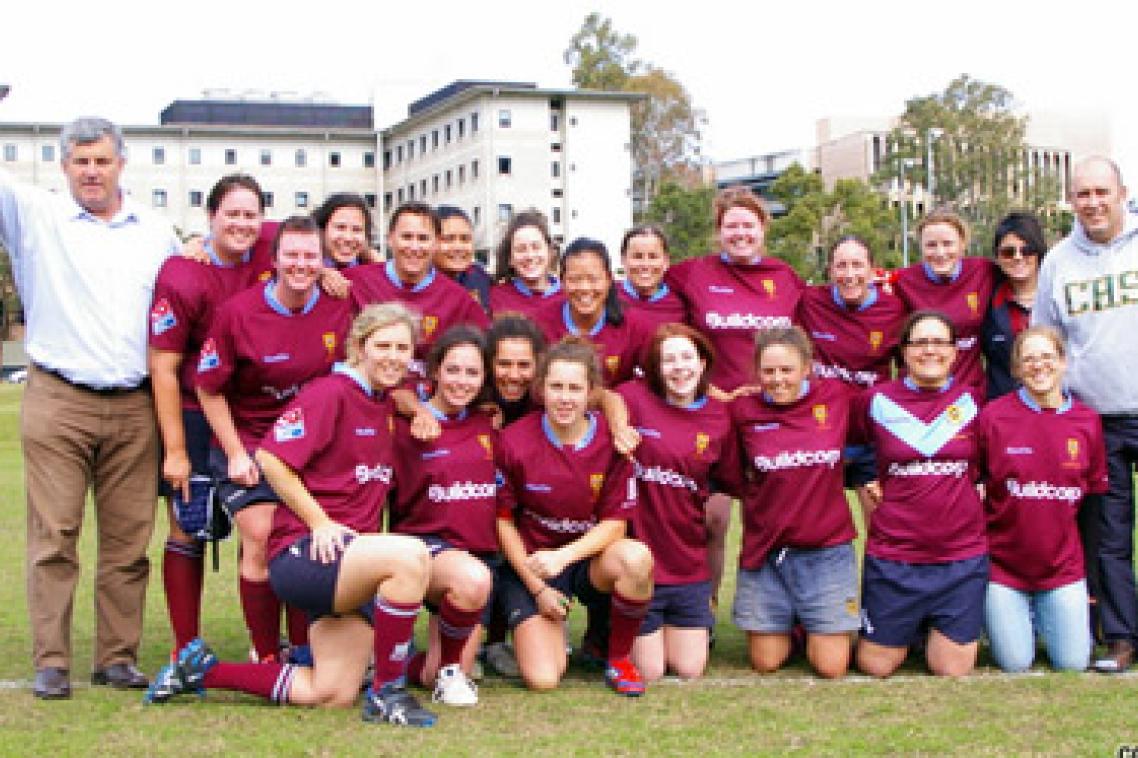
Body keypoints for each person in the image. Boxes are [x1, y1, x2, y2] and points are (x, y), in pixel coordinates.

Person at [146, 304, 438, 727]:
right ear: (359, 347)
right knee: (410, 557)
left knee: (332, 691)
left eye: (402, 348)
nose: (393, 356)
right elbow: (270, 459)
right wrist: (318, 522)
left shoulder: (382, 403)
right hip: (304, 554)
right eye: (383, 345)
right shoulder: (331, 392)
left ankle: (203, 671)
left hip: (347, 564)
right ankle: (388, 695)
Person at [2, 117, 180, 698]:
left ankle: (117, 657)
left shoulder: (155, 231)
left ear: (121, 164)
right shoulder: (36, 216)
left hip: (134, 404)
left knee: (129, 542)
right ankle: (52, 660)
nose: (91, 171)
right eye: (80, 161)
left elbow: (193, 290)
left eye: (102, 160)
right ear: (64, 166)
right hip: (59, 398)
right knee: (54, 535)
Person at [195, 216, 353, 665]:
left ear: (322, 262)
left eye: (310, 256)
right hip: (249, 443)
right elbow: (209, 387)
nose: (301, 265)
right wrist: (235, 453)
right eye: (292, 255)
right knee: (261, 535)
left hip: (310, 450)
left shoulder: (340, 303)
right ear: (275, 259)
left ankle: (304, 648)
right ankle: (265, 652)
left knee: (308, 536)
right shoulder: (238, 314)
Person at [665, 186, 804, 619]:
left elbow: (801, 346)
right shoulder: (691, 274)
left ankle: (792, 613)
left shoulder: (786, 278)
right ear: (719, 230)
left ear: (763, 228)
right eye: (731, 225)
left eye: (749, 224)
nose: (740, 233)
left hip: (771, 417)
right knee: (711, 521)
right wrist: (705, 388)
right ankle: (700, 612)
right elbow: (660, 318)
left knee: (781, 518)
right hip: (713, 415)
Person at [150, 173, 272, 655]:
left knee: (258, 522)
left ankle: (263, 644)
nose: (242, 224)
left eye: (251, 214)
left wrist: (341, 265)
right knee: (188, 521)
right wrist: (176, 450)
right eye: (232, 214)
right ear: (211, 217)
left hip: (252, 412)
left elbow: (327, 235)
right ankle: (187, 647)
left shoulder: (271, 247)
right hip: (193, 410)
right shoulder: (182, 272)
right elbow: (163, 367)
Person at [495, 338, 654, 695]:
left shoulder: (613, 443)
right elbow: (503, 522)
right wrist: (538, 588)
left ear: (591, 393)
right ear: (540, 389)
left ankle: (618, 658)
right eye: (556, 387)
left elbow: (616, 525)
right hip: (534, 565)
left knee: (635, 558)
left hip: (584, 561)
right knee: (544, 678)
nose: (565, 398)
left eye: (574, 388)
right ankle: (527, 630)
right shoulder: (513, 441)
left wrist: (563, 556)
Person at [1033, 156, 1138, 673]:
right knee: (1110, 539)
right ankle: (1122, 639)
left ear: (1122, 192)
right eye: (1083, 194)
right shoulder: (1057, 262)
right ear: (1071, 201)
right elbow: (1044, 341)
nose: (1093, 203)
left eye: (1102, 192)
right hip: (1097, 422)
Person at [854, 311, 987, 678]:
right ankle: (906, 627)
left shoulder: (972, 402)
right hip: (896, 554)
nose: (930, 350)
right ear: (904, 351)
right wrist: (868, 478)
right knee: (875, 666)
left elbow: (991, 462)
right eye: (920, 342)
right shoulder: (875, 401)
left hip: (960, 556)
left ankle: (931, 626)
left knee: (951, 669)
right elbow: (851, 448)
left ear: (954, 351)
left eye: (940, 342)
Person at [730, 327, 859, 678]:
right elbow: (730, 470)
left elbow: (871, 438)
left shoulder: (837, 398)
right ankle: (798, 620)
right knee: (766, 662)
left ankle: (812, 621)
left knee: (831, 668)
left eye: (786, 370)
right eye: (768, 371)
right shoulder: (742, 411)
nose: (777, 379)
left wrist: (871, 475)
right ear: (757, 372)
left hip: (827, 550)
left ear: (806, 368)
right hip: (767, 551)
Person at [978, 326, 1108, 672]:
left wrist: (1090, 581)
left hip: (1062, 571)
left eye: (1047, 357)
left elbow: (1093, 505)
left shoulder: (1087, 421)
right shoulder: (993, 417)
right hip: (1004, 570)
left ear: (1063, 362)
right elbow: (973, 486)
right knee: (1015, 663)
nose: (1039, 366)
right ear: (1017, 369)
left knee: (1073, 663)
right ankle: (1018, 617)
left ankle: (1046, 615)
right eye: (1029, 359)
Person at [619, 324, 735, 680]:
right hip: (644, 563)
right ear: (656, 367)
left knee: (689, 668)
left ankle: (698, 613)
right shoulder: (633, 399)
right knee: (651, 671)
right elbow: (599, 397)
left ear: (702, 363)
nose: (679, 367)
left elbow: (729, 481)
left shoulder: (719, 417)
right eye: (668, 360)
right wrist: (615, 419)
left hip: (688, 561)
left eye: (686, 357)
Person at [390, 326, 497, 705]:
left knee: (430, 672)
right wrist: (414, 407)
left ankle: (412, 664)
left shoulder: (489, 422)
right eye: (453, 370)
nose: (461, 381)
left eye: (472, 372)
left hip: (479, 558)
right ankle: (448, 673)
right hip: (427, 550)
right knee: (471, 577)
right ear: (434, 371)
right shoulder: (405, 426)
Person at [796, 235, 907, 513]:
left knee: (881, 527)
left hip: (870, 435)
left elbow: (906, 370)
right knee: (814, 525)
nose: (849, 275)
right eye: (841, 266)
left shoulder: (893, 310)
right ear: (830, 271)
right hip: (822, 433)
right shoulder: (809, 301)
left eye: (857, 265)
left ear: (872, 271)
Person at [345, 202, 489, 379]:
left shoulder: (458, 299)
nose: (414, 247)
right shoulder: (354, 280)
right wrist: (323, 273)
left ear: (436, 242)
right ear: (390, 239)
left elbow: (486, 349)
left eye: (423, 238)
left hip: (426, 398)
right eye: (406, 237)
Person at [892, 209, 997, 396]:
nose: (940, 253)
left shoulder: (984, 271)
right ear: (921, 247)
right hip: (919, 394)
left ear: (963, 244)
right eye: (931, 245)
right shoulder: (901, 281)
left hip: (968, 393)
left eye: (948, 244)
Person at [532, 237, 652, 387]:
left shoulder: (634, 325)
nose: (584, 288)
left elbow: (655, 379)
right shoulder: (539, 323)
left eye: (593, 279)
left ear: (609, 280)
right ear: (562, 282)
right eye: (574, 279)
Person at [981, 212, 1047, 399]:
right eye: (1008, 252)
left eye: (1026, 250)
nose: (1018, 257)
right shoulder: (987, 302)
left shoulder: (1058, 295)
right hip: (1004, 410)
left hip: (1056, 409)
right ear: (998, 256)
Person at [488, 210, 564, 318]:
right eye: (521, 249)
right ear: (510, 259)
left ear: (550, 252)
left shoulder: (569, 297)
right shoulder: (496, 298)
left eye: (536, 247)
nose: (529, 256)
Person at [616, 225, 685, 330]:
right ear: (623, 260)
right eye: (637, 256)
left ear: (666, 261)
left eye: (653, 257)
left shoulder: (681, 305)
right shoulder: (608, 298)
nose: (645, 265)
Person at [436, 205, 492, 312]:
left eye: (465, 239)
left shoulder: (481, 279)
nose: (458, 247)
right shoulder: (417, 283)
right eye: (448, 239)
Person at [312, 192, 377, 270]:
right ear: (322, 230)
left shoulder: (373, 271)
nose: (348, 238)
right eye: (340, 227)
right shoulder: (304, 275)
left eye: (357, 230)